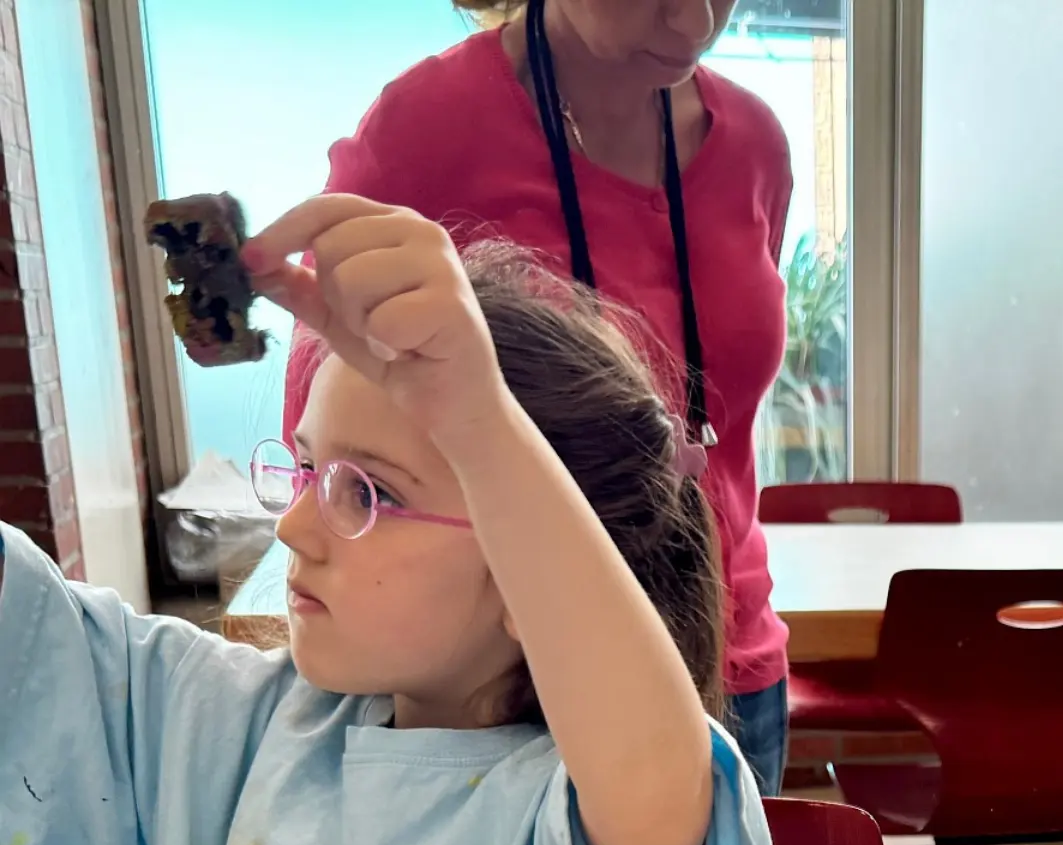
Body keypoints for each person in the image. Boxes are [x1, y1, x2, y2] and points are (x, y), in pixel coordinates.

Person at [0, 195, 784, 845]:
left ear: (524, 569)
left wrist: (481, 425)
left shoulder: (582, 801)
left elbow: (658, 798)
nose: (292, 528)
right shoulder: (212, 732)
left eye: (363, 491)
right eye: (305, 471)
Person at [287, 0, 795, 794]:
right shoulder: (422, 133)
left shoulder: (756, 146)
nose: (695, 21)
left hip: (735, 650)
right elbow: (329, 448)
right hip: (514, 690)